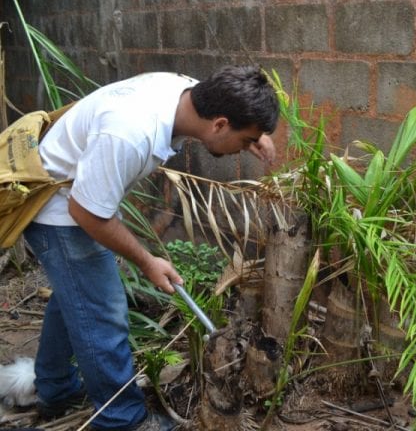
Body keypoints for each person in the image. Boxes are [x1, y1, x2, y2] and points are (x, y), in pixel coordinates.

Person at [23, 66, 280, 431]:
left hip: (75, 189)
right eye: (244, 141)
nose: (244, 150)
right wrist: (146, 262)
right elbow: (86, 212)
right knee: (105, 311)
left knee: (75, 298)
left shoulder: (191, 92)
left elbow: (225, 107)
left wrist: (254, 133)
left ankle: (56, 389)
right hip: (58, 208)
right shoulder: (129, 133)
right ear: (220, 124)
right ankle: (120, 420)